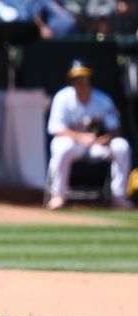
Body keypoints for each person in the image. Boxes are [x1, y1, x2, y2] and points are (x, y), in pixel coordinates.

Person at [45, 59, 133, 210]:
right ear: (71, 80)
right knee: (60, 146)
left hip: (95, 145)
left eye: (84, 78)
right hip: (73, 144)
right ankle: (57, 196)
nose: (81, 82)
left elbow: (116, 129)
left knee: (121, 146)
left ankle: (119, 197)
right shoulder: (62, 97)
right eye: (77, 78)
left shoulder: (102, 100)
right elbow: (54, 128)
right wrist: (80, 137)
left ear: (90, 79)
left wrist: (108, 138)